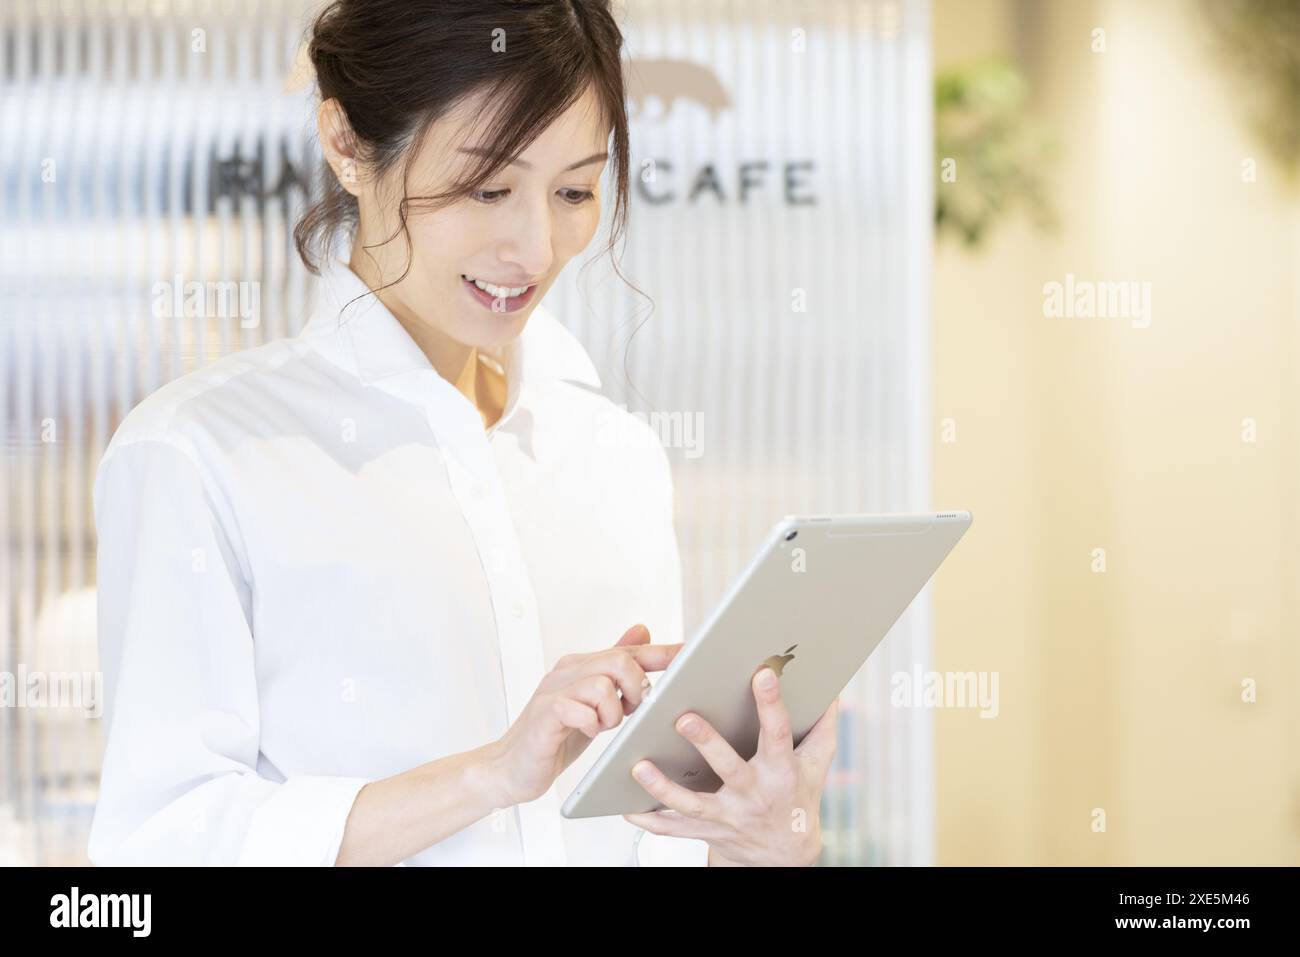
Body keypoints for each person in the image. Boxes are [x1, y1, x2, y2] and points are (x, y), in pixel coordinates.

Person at [88, 0, 838, 867]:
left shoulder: (614, 453)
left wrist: (757, 842)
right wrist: (490, 774)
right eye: (487, 188)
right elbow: (157, 853)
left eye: (574, 192)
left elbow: (639, 842)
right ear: (346, 145)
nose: (534, 246)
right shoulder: (200, 453)